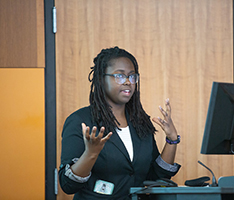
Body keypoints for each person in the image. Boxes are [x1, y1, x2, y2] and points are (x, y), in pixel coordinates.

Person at [59, 46, 181, 199]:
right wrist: (90, 154)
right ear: (101, 79)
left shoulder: (140, 122)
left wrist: (172, 140)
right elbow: (68, 185)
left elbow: (155, 178)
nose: (128, 82)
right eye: (120, 76)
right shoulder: (80, 121)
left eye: (132, 76)